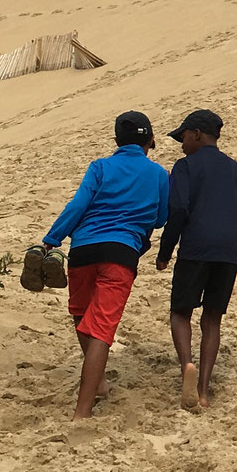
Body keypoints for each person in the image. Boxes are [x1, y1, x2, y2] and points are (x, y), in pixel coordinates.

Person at [41, 112, 170, 420]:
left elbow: (78, 205)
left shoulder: (99, 166)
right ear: (151, 140)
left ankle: (98, 384)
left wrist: (51, 240)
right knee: (101, 329)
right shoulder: (159, 175)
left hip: (83, 247)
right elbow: (161, 217)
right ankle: (82, 412)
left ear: (116, 142)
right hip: (122, 252)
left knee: (79, 313)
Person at [154, 111, 237, 412]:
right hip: (228, 252)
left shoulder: (184, 167)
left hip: (195, 247)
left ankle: (186, 366)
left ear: (196, 134)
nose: (181, 144)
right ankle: (203, 391)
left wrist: (165, 251)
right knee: (212, 319)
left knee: (180, 313)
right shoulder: (236, 170)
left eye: (183, 137)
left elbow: (179, 210)